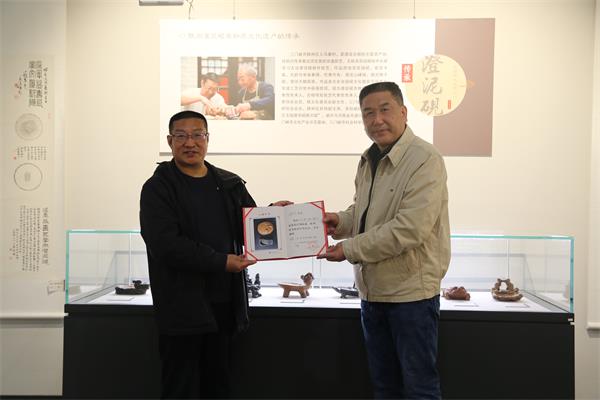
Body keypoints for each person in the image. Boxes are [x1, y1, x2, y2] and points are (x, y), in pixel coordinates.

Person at [140, 110, 288, 398]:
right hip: (181, 306)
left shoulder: (229, 183)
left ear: (208, 138)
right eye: (181, 136)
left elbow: (248, 229)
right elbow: (165, 245)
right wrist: (221, 261)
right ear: (170, 141)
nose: (190, 142)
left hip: (224, 304)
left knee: (219, 384)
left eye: (197, 135)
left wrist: (274, 216)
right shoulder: (158, 188)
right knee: (180, 386)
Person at [318, 82, 450, 399]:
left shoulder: (425, 159)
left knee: (419, 387)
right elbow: (366, 212)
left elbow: (410, 228)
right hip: (373, 292)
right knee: (384, 385)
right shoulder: (369, 158)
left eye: (384, 110)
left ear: (403, 112)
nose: (376, 120)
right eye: (368, 113)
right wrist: (340, 221)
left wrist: (349, 249)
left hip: (411, 295)